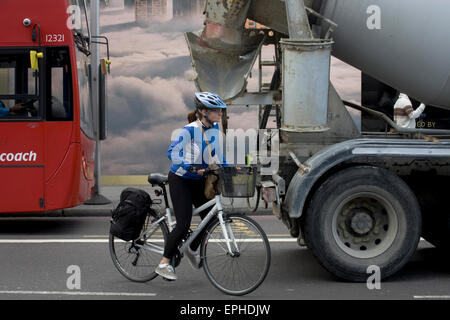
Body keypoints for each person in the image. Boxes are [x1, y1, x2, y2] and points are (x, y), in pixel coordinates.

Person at [155, 92, 228, 281]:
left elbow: (217, 153)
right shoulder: (190, 130)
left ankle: (192, 248)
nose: (220, 113)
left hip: (198, 180)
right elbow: (172, 152)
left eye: (220, 110)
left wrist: (231, 167)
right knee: (183, 223)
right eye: (216, 110)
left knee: (210, 218)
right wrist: (188, 166)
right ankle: (164, 263)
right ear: (204, 112)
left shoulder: (213, 128)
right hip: (180, 179)